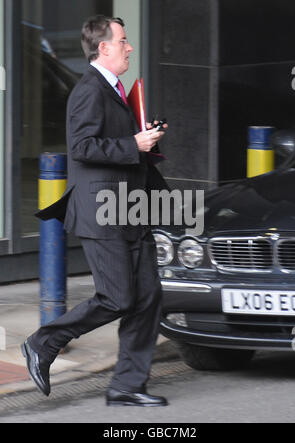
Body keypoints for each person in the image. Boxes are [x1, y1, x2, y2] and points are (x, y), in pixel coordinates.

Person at [21, 15, 169, 407]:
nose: (129, 47)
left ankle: (127, 385)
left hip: (131, 208)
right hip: (103, 210)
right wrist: (132, 144)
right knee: (117, 297)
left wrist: (143, 142)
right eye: (123, 40)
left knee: (148, 296)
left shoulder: (116, 90)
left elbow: (114, 142)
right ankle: (43, 342)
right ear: (103, 47)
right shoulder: (88, 90)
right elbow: (83, 147)